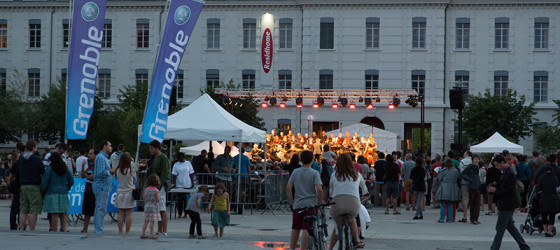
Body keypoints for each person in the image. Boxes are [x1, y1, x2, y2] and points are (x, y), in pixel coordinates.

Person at [488, 155, 530, 249]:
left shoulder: (509, 173)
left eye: (497, 165)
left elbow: (510, 190)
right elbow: (503, 185)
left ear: (502, 163)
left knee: (500, 228)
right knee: (510, 227)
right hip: (506, 203)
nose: (496, 167)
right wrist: (495, 184)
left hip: (507, 204)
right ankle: (524, 246)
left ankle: (494, 248)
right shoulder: (504, 172)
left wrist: (496, 191)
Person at [328, 154, 368, 249]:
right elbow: (364, 189)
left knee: (337, 228)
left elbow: (331, 191)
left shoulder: (335, 174)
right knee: (352, 219)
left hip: (338, 204)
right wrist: (365, 194)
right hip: (353, 204)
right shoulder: (357, 174)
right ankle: (357, 241)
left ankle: (330, 248)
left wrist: (330, 197)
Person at [286, 150, 323, 250]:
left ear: (301, 160)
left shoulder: (295, 172)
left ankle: (292, 248)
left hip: (298, 203)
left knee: (295, 227)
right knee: (306, 228)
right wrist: (321, 201)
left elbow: (288, 187)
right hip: (311, 204)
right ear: (312, 160)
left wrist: (292, 202)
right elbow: (319, 189)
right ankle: (303, 248)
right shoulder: (314, 173)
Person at [41, 152, 74, 232]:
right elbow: (71, 180)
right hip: (63, 192)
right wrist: (67, 187)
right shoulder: (65, 169)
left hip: (51, 192)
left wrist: (43, 190)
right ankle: (64, 228)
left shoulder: (49, 169)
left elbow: (44, 181)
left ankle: (54, 229)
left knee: (54, 213)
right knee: (63, 212)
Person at [18, 140, 45, 231]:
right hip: (34, 185)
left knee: (23, 208)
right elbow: (42, 170)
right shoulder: (36, 158)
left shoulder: (21, 158)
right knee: (34, 209)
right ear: (33, 147)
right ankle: (32, 229)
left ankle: (21, 228)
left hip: (23, 185)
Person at [149, 140, 170, 236]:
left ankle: (164, 230)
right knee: (158, 208)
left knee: (162, 208)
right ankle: (160, 229)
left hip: (159, 187)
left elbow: (164, 173)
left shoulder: (163, 158)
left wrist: (159, 186)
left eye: (152, 148)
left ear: (157, 148)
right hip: (154, 186)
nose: (150, 150)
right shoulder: (154, 157)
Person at [93, 140, 113, 234]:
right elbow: (100, 173)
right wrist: (110, 171)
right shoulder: (101, 158)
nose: (111, 148)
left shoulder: (103, 157)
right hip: (101, 187)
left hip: (103, 187)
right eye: (109, 146)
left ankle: (99, 229)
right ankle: (99, 230)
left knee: (100, 208)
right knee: (100, 208)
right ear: (104, 146)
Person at [114, 152, 136, 234]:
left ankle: (120, 231)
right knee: (129, 214)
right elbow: (134, 180)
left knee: (120, 213)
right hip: (129, 192)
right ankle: (127, 231)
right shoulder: (131, 170)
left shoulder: (118, 170)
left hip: (120, 192)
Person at [538, 166, 559, 237]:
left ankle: (545, 231)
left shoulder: (541, 177)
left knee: (544, 214)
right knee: (552, 215)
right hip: (553, 197)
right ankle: (550, 232)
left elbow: (540, 187)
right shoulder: (555, 178)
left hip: (544, 197)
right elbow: (557, 186)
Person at [460, 154, 482, 224]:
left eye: (477, 159)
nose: (476, 160)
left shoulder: (477, 167)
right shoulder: (470, 167)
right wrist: (470, 179)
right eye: (475, 159)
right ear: (472, 160)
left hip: (477, 186)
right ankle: (473, 218)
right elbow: (462, 174)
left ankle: (475, 218)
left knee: (477, 203)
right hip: (472, 186)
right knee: (473, 203)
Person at [8, 142, 24, 230]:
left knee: (15, 207)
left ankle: (13, 225)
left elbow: (11, 175)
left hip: (17, 186)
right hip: (21, 186)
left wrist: (10, 184)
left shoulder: (17, 163)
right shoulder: (21, 162)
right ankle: (21, 225)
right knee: (22, 208)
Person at [172, 152, 195, 218]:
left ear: (183, 157)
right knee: (179, 200)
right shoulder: (176, 165)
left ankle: (185, 213)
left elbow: (191, 174)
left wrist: (192, 184)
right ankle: (179, 213)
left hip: (187, 184)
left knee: (186, 200)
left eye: (180, 158)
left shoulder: (188, 163)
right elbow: (174, 175)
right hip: (179, 185)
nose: (179, 159)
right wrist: (175, 184)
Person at [81, 148, 97, 233]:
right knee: (86, 211)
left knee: (94, 211)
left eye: (91, 154)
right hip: (87, 189)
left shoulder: (97, 164)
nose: (89, 155)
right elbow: (82, 175)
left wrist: (87, 175)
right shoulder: (89, 164)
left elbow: (92, 177)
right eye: (89, 154)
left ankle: (97, 229)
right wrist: (83, 166)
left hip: (93, 190)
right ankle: (84, 228)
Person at [141, 174, 162, 240]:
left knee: (146, 221)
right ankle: (152, 234)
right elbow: (158, 199)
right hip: (153, 208)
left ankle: (143, 233)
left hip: (147, 207)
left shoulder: (146, 189)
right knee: (152, 221)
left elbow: (144, 197)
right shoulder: (156, 190)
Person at [458, 151, 473, 223]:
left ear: (466, 154)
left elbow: (461, 172)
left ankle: (465, 216)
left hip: (464, 182)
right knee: (473, 198)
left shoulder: (462, 161)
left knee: (465, 198)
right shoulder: (474, 161)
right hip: (472, 183)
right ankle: (473, 216)